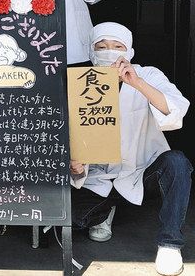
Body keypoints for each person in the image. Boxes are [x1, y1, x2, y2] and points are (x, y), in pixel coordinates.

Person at [70, 22, 191, 276]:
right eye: (101, 47)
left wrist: (136, 83)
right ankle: (104, 213)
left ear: (130, 51)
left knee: (177, 162)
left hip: (140, 172)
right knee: (72, 220)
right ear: (92, 52)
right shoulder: (83, 82)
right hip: (97, 177)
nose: (109, 52)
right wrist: (76, 163)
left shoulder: (148, 75)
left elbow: (175, 111)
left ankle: (170, 245)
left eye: (117, 46)